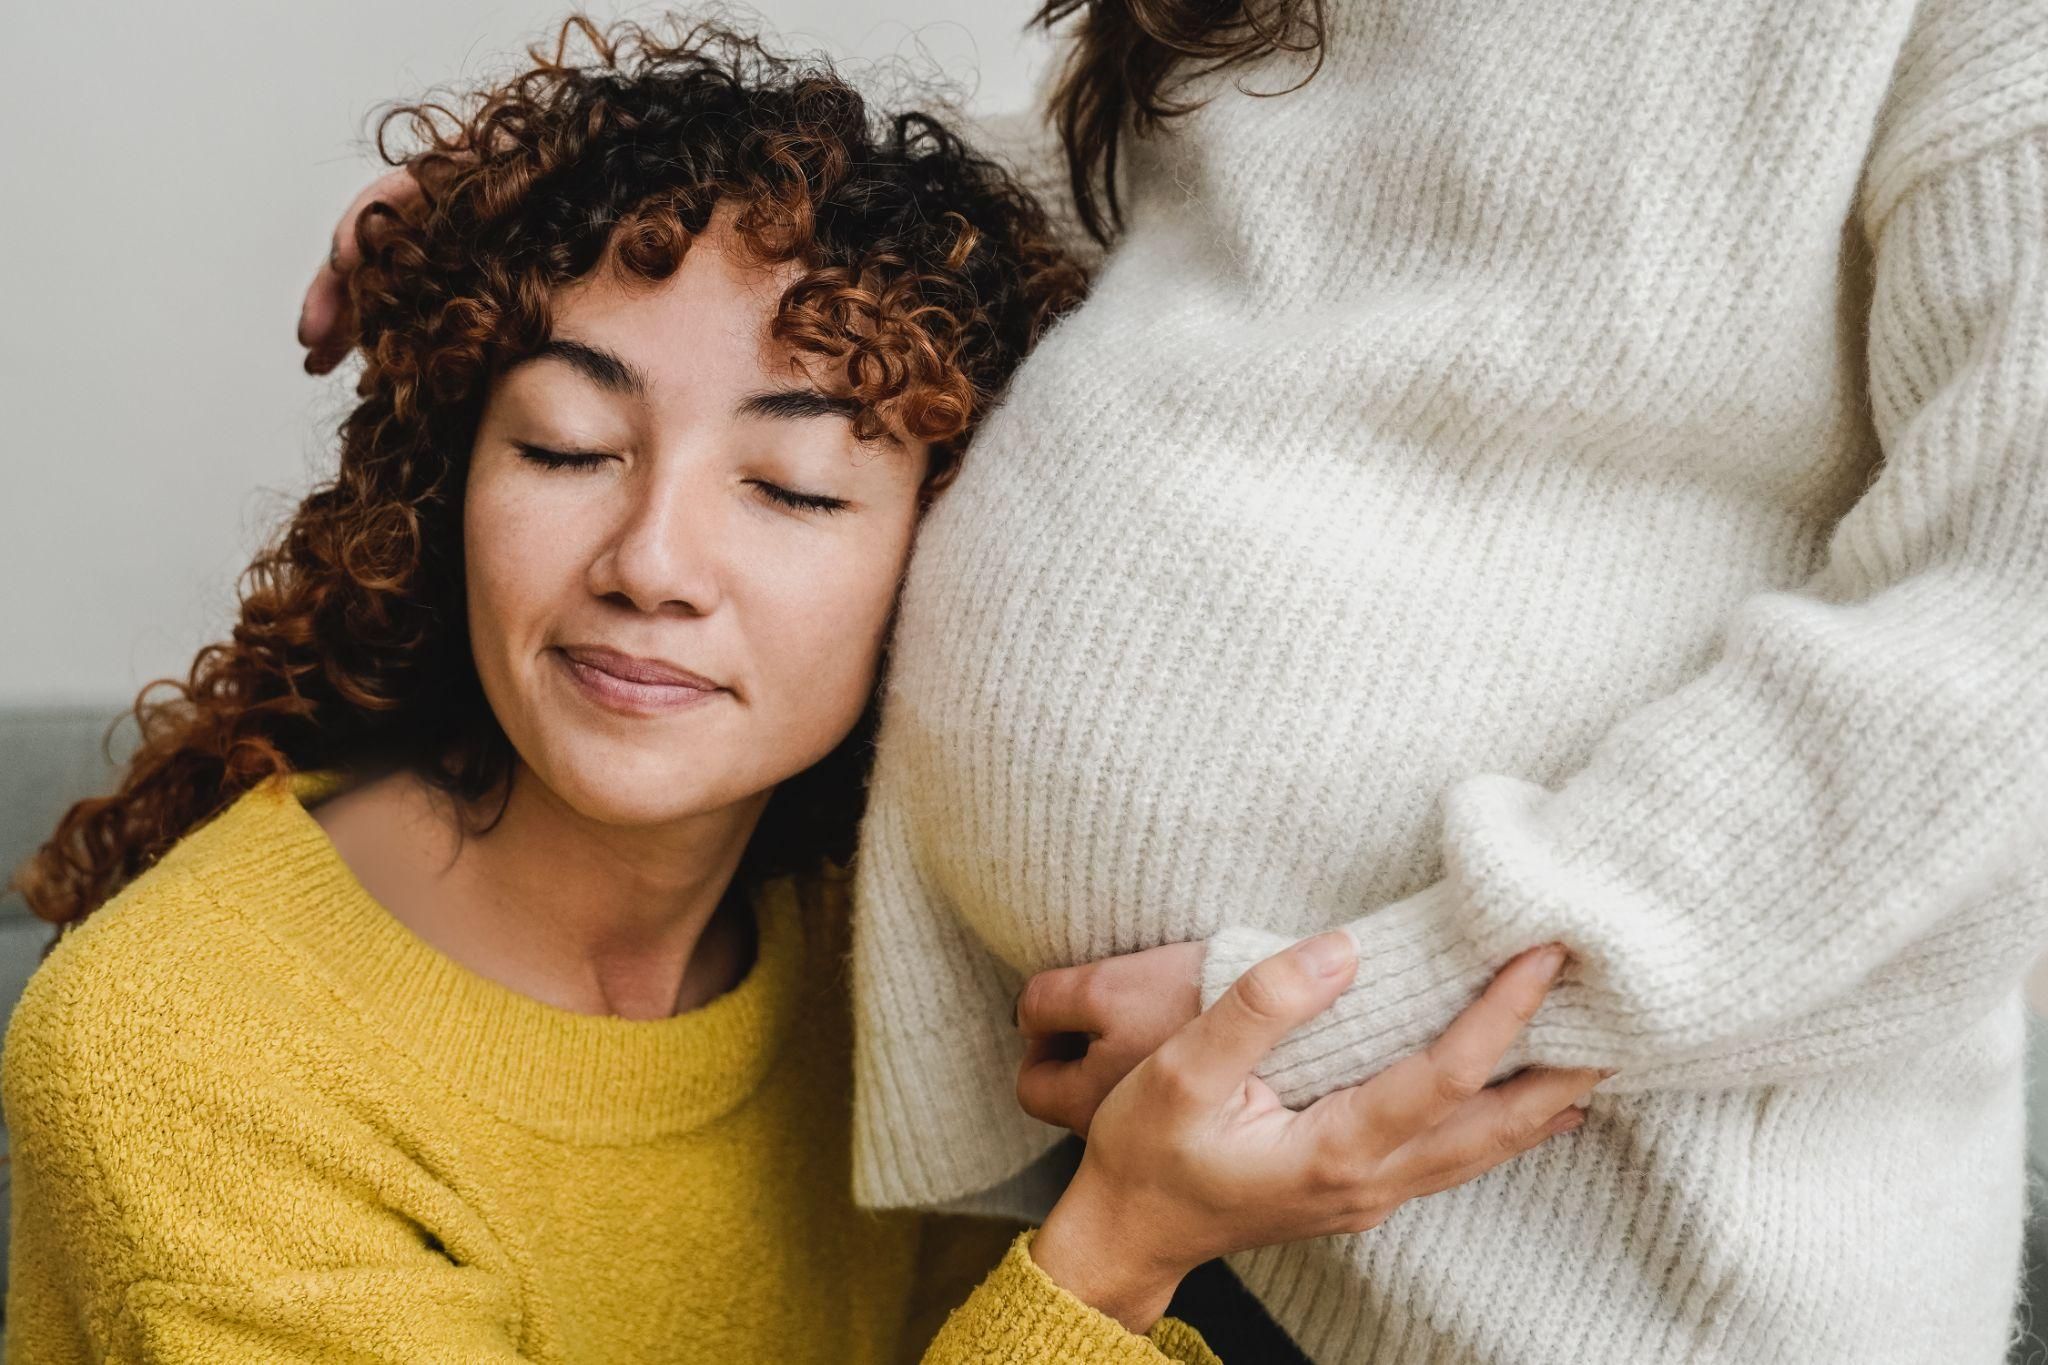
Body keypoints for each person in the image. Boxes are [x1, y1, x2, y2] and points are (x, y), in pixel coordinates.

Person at [8, 20, 1603, 1364]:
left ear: (950, 546)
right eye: (566, 447)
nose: (651, 560)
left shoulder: (887, 948)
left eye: (793, 488)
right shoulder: (177, 1045)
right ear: (444, 485)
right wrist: (1117, 1252)